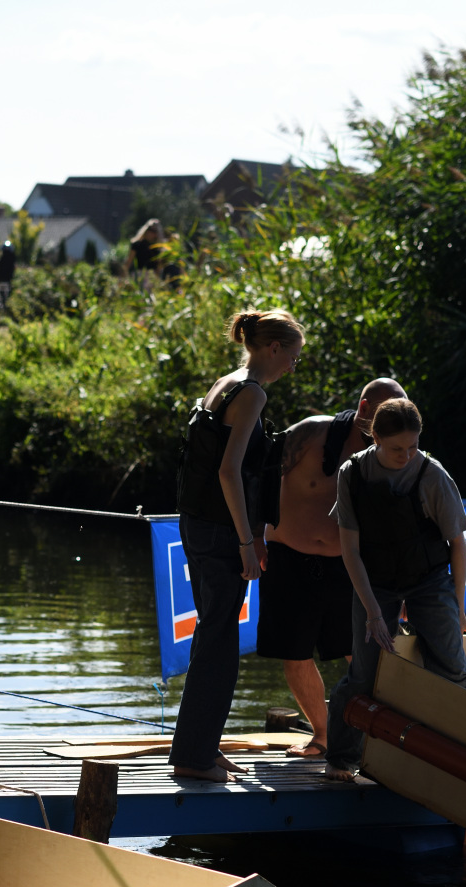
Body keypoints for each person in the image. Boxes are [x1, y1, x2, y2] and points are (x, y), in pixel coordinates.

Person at [168, 309, 304, 783]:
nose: (293, 365)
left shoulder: (226, 382)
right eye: (294, 356)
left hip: (198, 522)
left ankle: (200, 747)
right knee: (219, 643)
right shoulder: (252, 394)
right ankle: (193, 756)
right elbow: (229, 471)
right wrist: (248, 541)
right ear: (273, 348)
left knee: (213, 636)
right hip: (222, 530)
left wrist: (254, 534)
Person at [323, 398, 466, 782]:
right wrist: (374, 613)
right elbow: (349, 551)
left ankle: (464, 751)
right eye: (396, 449)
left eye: (413, 447)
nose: (406, 456)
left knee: (453, 667)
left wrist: (458, 606)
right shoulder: (351, 474)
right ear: (373, 437)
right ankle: (341, 757)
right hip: (374, 580)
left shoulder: (432, 475)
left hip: (429, 579)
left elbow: (457, 545)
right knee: (364, 674)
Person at [259, 378, 405, 757]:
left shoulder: (392, 455)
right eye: (385, 413)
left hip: (347, 563)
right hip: (288, 556)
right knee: (295, 653)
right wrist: (252, 538)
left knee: (363, 653)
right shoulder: (310, 433)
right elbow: (258, 479)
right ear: (364, 408)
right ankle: (322, 735)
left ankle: (369, 738)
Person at [0, 238, 17, 320]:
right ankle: (5, 315)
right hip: (7, 282)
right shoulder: (12, 260)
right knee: (6, 299)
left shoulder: (1, 260)